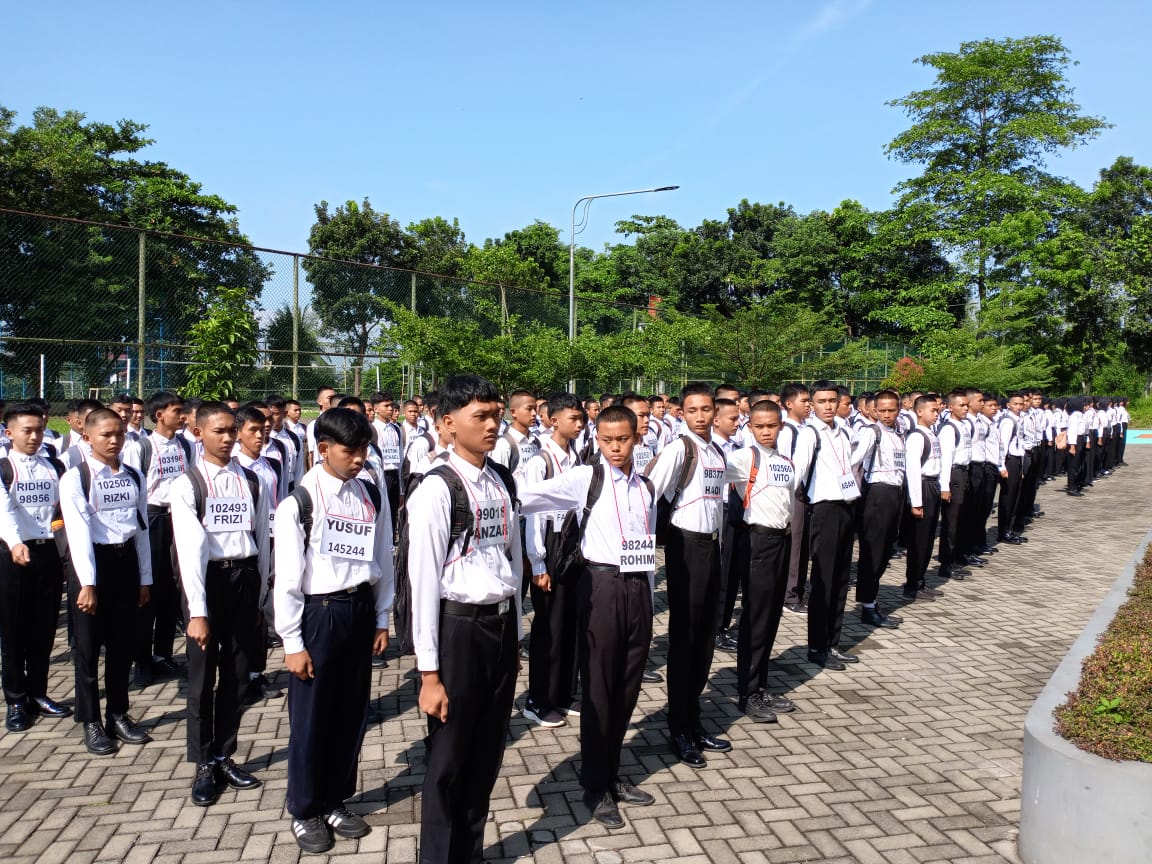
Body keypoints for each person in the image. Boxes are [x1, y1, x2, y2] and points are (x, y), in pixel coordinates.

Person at [520, 404, 658, 830]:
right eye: (607, 440)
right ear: (596, 440)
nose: (616, 447)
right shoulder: (587, 478)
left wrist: (649, 598)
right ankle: (594, 785)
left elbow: (648, 543)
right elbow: (527, 498)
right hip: (600, 588)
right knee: (598, 690)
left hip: (638, 591)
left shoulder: (647, 486)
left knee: (627, 689)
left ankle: (612, 773)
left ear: (637, 438)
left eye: (623, 439)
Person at [406, 375, 522, 863]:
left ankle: (468, 851)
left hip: (498, 629)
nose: (494, 424)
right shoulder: (436, 490)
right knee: (450, 760)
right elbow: (425, 584)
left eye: (496, 415)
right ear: (449, 424)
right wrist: (430, 674)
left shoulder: (500, 480)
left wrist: (514, 633)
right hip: (459, 632)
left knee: (486, 755)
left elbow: (510, 561)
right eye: (482, 416)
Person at [274, 407, 393, 854]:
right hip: (319, 615)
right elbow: (287, 577)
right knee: (312, 719)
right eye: (350, 450)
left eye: (365, 448)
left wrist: (382, 617)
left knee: (350, 714)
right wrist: (292, 641)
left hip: (359, 610)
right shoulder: (298, 504)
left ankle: (336, 799)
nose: (360, 458)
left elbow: (383, 555)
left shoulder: (370, 494)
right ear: (323, 449)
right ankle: (305, 809)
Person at [172, 402, 270, 806]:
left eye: (233, 430)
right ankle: (203, 764)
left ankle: (225, 753)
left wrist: (262, 591)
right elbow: (189, 550)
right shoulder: (188, 484)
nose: (228, 438)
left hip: (244, 579)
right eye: (219, 431)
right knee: (202, 679)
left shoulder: (251, 480)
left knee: (237, 673)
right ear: (199, 433)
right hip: (208, 582)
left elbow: (262, 537)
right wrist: (197, 611)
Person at [645, 383, 730, 768]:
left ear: (716, 411)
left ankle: (693, 719)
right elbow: (647, 494)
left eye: (706, 409)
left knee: (705, 637)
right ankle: (678, 725)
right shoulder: (680, 448)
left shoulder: (715, 449)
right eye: (692, 410)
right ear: (682, 412)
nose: (700, 416)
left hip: (711, 547)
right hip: (686, 547)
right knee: (686, 638)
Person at [59, 408, 153, 755]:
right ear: (87, 438)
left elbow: (140, 528)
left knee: (121, 645)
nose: (114, 441)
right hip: (92, 567)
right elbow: (78, 533)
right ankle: (91, 720)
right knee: (86, 648)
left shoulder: (133, 476)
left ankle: (118, 712)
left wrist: (145, 578)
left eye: (119, 434)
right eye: (106, 435)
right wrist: (87, 583)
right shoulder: (76, 478)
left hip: (125, 561)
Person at [722, 399, 800, 722]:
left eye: (772, 425)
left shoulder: (786, 461)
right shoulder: (742, 458)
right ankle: (747, 692)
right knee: (754, 618)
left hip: (782, 539)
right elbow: (711, 480)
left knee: (770, 618)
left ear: (781, 425)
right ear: (749, 427)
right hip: (757, 541)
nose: (766, 431)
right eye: (760, 426)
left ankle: (761, 685)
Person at [0, 403, 73, 732]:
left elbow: (66, 509)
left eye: (38, 430)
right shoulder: (5, 467)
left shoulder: (54, 465)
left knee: (43, 629)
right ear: (9, 432)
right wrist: (16, 543)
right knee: (14, 630)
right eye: (26, 430)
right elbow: (3, 512)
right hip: (12, 555)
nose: (33, 436)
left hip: (48, 554)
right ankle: (16, 699)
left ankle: (39, 693)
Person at [521, 392, 585, 729]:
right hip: (550, 546)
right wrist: (538, 563)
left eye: (581, 418)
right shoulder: (540, 462)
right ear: (553, 419)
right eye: (572, 418)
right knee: (548, 628)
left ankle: (563, 692)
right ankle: (537, 698)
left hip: (574, 548)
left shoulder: (577, 459)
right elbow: (534, 515)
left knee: (570, 626)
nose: (579, 423)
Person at [122, 391, 194, 687]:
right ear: (159, 414)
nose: (182, 416)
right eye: (176, 411)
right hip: (151, 519)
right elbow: (132, 488)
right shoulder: (142, 447)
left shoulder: (186, 446)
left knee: (171, 589)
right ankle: (141, 660)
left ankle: (163, 654)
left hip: (177, 518)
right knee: (148, 589)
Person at [790, 381, 861, 671]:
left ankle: (833, 641)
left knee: (842, 579)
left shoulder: (844, 430)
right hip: (825, 509)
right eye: (821, 401)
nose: (828, 406)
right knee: (823, 580)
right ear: (812, 405)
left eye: (833, 400)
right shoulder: (809, 435)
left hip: (846, 506)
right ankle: (817, 646)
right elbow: (797, 473)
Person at [849, 390, 906, 629]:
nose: (886, 414)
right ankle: (867, 606)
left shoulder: (899, 432)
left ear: (899, 409)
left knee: (886, 550)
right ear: (873, 410)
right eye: (881, 410)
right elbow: (853, 460)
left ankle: (872, 600)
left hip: (895, 494)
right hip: (877, 495)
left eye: (891, 410)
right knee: (872, 552)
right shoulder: (871, 433)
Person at [903, 395, 945, 601]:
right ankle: (913, 584)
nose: (936, 414)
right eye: (932, 410)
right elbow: (912, 470)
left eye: (938, 410)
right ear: (919, 411)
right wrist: (916, 502)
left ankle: (920, 580)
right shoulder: (917, 437)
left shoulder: (931, 434)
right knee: (919, 539)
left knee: (928, 538)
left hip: (933, 485)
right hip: (923, 486)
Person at [777, 383, 813, 616]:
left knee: (803, 546)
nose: (809, 405)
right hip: (794, 494)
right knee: (796, 545)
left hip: (807, 494)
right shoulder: (787, 431)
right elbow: (784, 466)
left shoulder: (805, 429)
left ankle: (798, 589)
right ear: (789, 404)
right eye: (804, 401)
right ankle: (790, 595)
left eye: (810, 401)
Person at [936, 390, 972, 582]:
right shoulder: (949, 428)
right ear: (950, 407)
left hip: (964, 472)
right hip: (953, 475)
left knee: (961, 519)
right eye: (961, 405)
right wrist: (945, 486)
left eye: (967, 405)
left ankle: (956, 558)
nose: (965, 408)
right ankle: (946, 563)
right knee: (951, 522)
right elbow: (946, 458)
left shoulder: (964, 425)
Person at [996, 393, 1028, 544]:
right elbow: (1003, 445)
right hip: (1009, 461)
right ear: (1008, 405)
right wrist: (1002, 466)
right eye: (1015, 404)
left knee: (1016, 495)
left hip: (1017, 460)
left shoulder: (1019, 420)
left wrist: (1021, 467)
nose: (1019, 407)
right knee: (1008, 497)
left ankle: (1010, 529)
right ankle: (1004, 531)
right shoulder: (1008, 422)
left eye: (1021, 404)